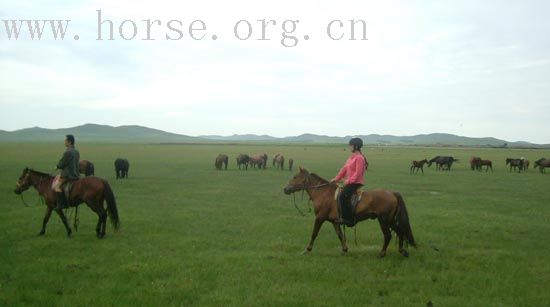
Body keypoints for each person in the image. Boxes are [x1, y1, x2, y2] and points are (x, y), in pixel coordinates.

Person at [330, 137, 368, 226]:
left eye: (350, 145)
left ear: (355, 146)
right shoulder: (351, 157)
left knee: (343, 196)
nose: (349, 147)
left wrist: (348, 181)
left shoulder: (359, 158)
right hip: (350, 182)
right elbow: (344, 169)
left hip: (355, 182)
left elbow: (358, 174)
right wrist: (336, 179)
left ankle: (348, 219)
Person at [53, 135, 80, 210]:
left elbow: (62, 164)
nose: (64, 142)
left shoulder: (67, 152)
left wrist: (57, 166)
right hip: (76, 175)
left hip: (68, 176)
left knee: (56, 187)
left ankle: (61, 204)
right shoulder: (76, 152)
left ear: (69, 142)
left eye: (65, 140)